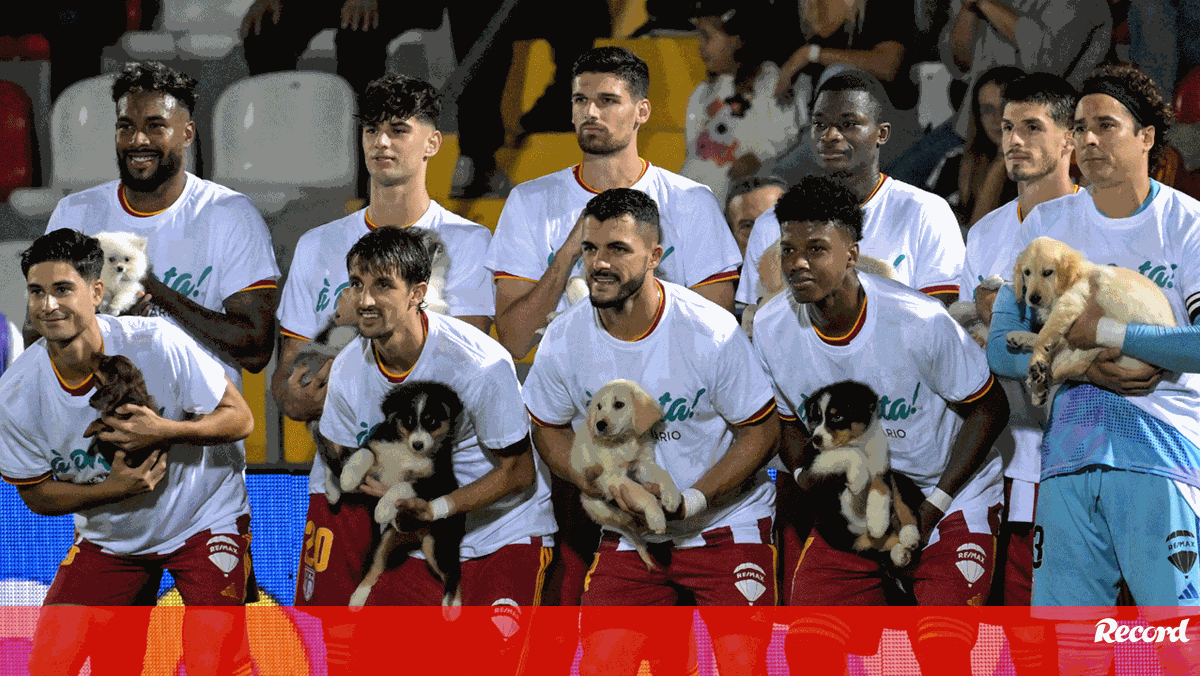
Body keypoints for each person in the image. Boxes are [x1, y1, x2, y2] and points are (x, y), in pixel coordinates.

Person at [988, 63, 1200, 674]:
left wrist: (1106, 334)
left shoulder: (1186, 226)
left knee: (1175, 650)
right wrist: (1088, 369)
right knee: (1066, 655)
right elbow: (1001, 347)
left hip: (1161, 452)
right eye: (1080, 128)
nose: (1089, 141)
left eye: (1107, 126)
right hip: (1068, 457)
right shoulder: (1048, 225)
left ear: (1148, 137)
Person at [753, 175, 1008, 674]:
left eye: (817, 248)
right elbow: (786, 420)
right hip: (859, 503)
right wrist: (812, 480)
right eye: (788, 249)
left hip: (947, 499)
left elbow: (989, 406)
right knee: (808, 650)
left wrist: (932, 509)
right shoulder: (770, 327)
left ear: (851, 252)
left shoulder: (918, 320)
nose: (798, 262)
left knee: (943, 653)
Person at [524, 188, 779, 675]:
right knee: (601, 664)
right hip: (631, 533)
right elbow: (546, 425)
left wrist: (695, 500)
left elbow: (761, 432)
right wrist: (599, 483)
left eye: (618, 249)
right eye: (590, 248)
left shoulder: (709, 330)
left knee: (741, 664)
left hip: (725, 526)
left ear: (655, 257)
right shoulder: (565, 337)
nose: (599, 263)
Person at [0, 229, 256, 676]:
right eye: (36, 292)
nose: (47, 305)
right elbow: (38, 496)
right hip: (110, 541)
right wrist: (116, 488)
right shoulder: (14, 394)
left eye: (63, 289)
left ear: (97, 291)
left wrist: (165, 430)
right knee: (49, 664)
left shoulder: (156, 341)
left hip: (201, 519)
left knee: (211, 664)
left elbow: (241, 420)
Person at [315, 227, 555, 670]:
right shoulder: (348, 368)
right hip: (422, 537)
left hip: (502, 536)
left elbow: (520, 474)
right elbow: (342, 452)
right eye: (357, 284)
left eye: (383, 285)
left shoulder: (480, 364)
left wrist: (434, 508)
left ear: (418, 292)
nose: (365, 300)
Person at [487, 46, 744, 361]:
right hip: (573, 398)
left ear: (642, 111)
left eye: (607, 101)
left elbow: (718, 333)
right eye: (581, 100)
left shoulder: (690, 201)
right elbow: (515, 340)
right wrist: (569, 253)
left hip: (666, 393)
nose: (591, 113)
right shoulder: (529, 201)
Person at [41, 62, 280, 392]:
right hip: (99, 422)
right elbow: (36, 333)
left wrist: (157, 292)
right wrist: (110, 326)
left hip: (203, 428)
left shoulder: (229, 214)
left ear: (187, 134)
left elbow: (256, 349)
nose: (138, 140)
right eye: (126, 127)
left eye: (156, 127)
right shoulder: (75, 213)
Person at [276, 74, 493, 428]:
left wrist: (348, 380)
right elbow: (288, 376)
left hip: (434, 472)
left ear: (433, 143)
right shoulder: (316, 244)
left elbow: (466, 366)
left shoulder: (468, 241)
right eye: (371, 130)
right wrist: (294, 396)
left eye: (398, 130)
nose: (381, 142)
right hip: (334, 475)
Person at [739, 70, 965, 313]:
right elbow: (755, 321)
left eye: (849, 124)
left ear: (882, 133)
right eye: (820, 124)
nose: (830, 135)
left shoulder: (926, 212)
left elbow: (941, 318)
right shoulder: (771, 223)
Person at [889, 0, 1111, 187]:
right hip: (971, 131)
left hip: (1038, 142)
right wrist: (969, 9)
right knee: (890, 192)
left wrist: (985, 3)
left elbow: (1046, 60)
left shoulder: (1084, 4)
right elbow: (959, 63)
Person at [681, 0, 800, 205]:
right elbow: (692, 146)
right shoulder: (703, 92)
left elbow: (785, 131)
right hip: (694, 190)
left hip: (738, 193)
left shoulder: (770, 82)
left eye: (707, 36)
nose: (700, 46)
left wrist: (758, 157)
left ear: (737, 39)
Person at [925, 65, 1023, 228]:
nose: (997, 118)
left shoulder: (1040, 168)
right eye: (987, 110)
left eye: (1005, 108)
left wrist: (1001, 162)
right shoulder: (955, 161)